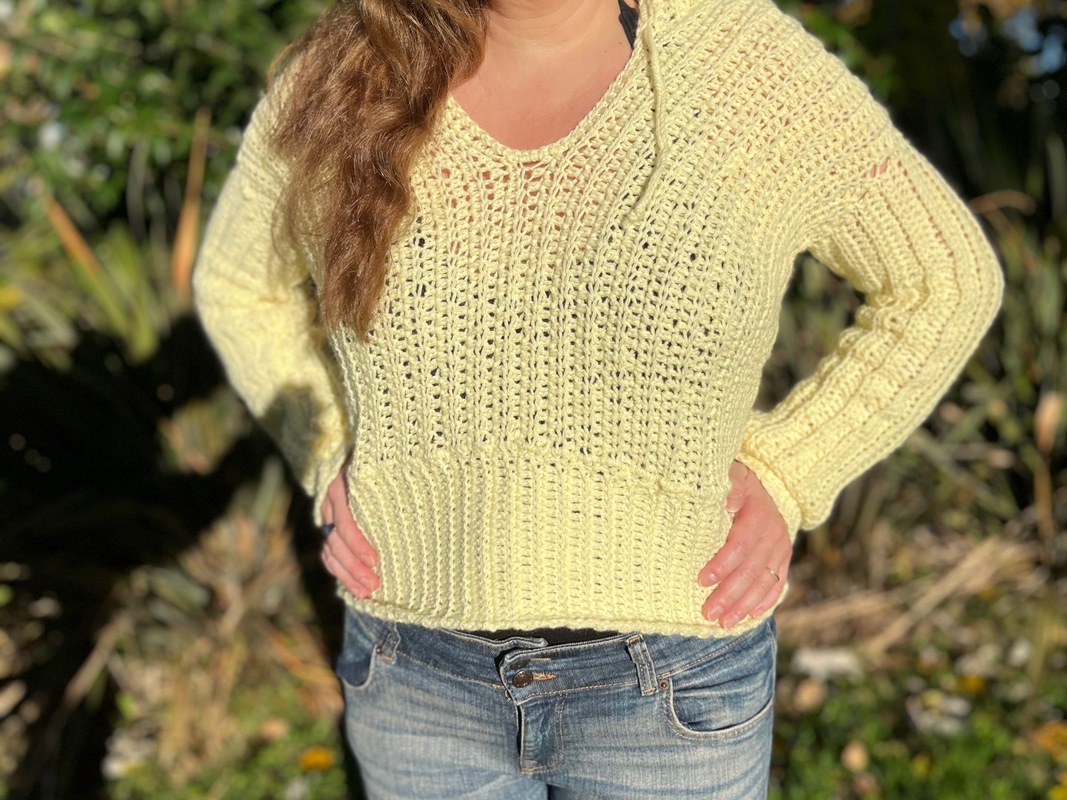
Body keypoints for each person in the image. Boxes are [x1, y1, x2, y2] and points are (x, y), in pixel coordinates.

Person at [192, 0, 1004, 794]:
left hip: (670, 684)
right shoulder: (345, 74)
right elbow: (237, 288)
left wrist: (790, 469)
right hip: (413, 674)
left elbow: (943, 279)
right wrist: (325, 449)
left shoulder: (742, 68)